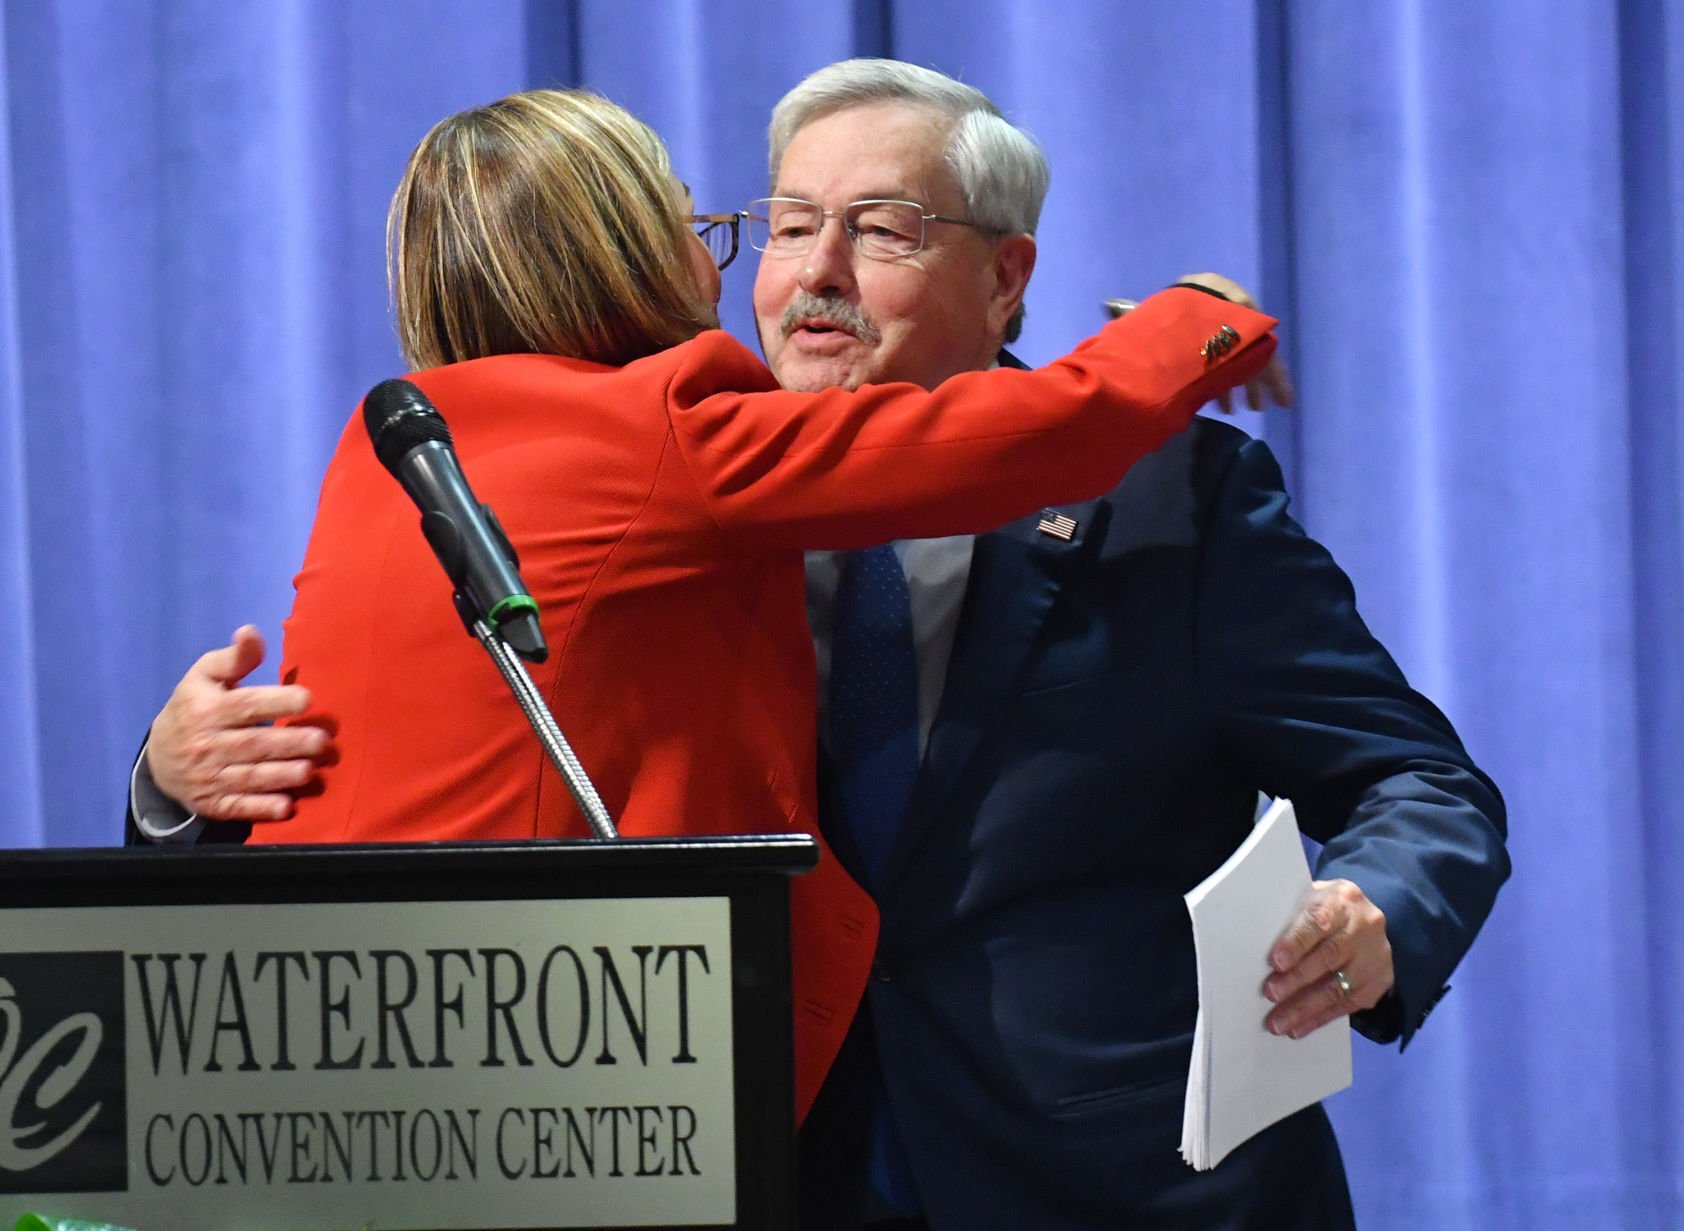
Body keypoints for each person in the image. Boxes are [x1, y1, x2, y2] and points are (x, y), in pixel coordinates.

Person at [130, 59, 1504, 1229]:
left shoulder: (1180, 501)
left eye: (884, 229)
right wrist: (173, 781)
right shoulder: (644, 462)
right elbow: (370, 769)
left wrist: (1381, 909)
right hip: (735, 1172)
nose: (812, 276)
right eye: (782, 227)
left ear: (1009, 275)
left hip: (1107, 1181)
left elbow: (1420, 784)